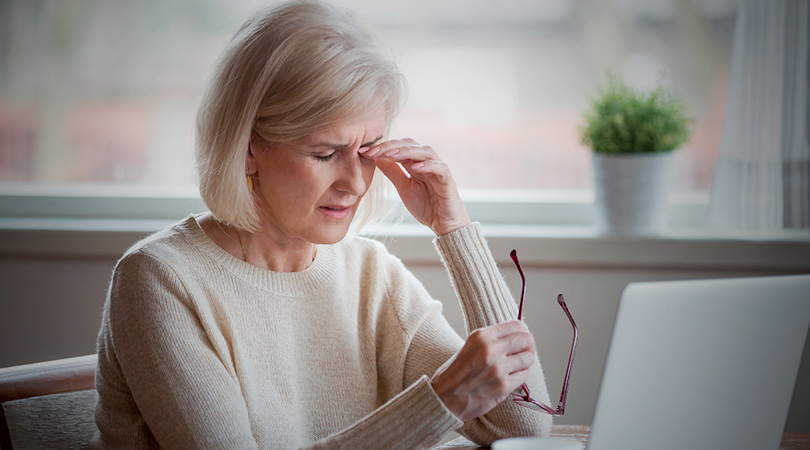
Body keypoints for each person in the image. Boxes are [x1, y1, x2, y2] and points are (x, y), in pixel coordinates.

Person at [91, 1, 552, 448]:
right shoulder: (159, 280)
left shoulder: (371, 275)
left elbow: (522, 427)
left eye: (368, 150)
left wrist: (454, 229)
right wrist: (442, 401)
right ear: (248, 148)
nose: (355, 183)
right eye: (326, 154)